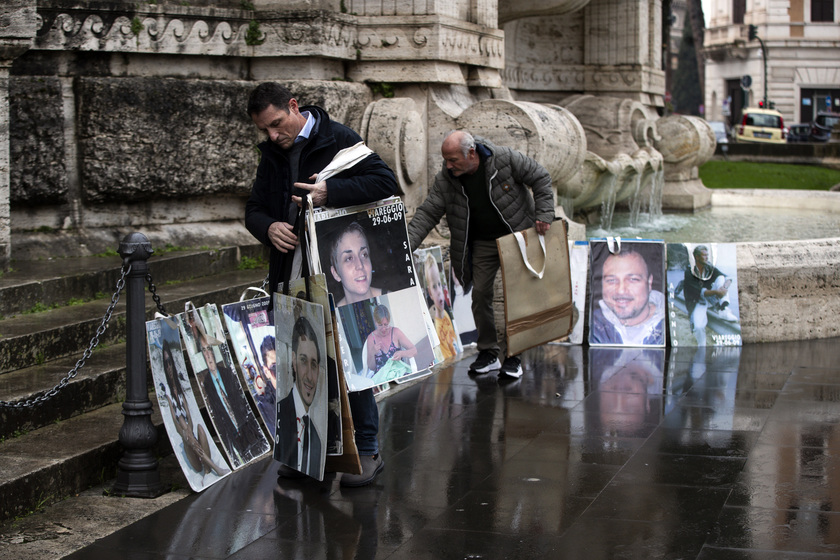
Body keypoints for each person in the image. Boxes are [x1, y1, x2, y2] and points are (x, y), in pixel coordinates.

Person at [244, 82, 397, 486]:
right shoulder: (273, 153)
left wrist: (332, 191)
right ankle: (311, 456)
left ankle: (367, 451)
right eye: (266, 131)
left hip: (338, 271)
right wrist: (268, 227)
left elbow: (386, 182)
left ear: (294, 106)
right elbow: (254, 209)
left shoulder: (338, 138)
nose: (274, 137)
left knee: (348, 357)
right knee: (302, 357)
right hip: (293, 270)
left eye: (278, 125)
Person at [407, 130, 554, 378]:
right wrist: (405, 246)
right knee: (481, 293)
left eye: (453, 159)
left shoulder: (504, 159)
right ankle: (488, 351)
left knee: (516, 296)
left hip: (515, 236)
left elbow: (540, 177)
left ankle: (514, 355)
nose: (448, 165)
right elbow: (427, 213)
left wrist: (544, 214)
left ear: (472, 153)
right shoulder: (447, 179)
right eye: (446, 159)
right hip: (482, 242)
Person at [195, 331, 267, 468]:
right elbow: (217, 415)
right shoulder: (208, 383)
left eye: (209, 349)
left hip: (247, 429)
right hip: (232, 435)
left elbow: (241, 403)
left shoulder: (227, 374)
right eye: (204, 350)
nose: (208, 354)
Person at [159, 344, 230, 479]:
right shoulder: (168, 393)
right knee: (183, 426)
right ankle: (215, 468)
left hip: (194, 440)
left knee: (199, 428)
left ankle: (208, 470)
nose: (168, 367)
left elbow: (189, 417)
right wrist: (187, 433)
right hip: (189, 447)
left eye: (170, 363)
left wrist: (190, 431)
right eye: (166, 363)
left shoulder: (180, 389)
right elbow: (175, 423)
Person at [276, 316, 325, 478]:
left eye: (314, 364)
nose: (310, 376)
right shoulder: (280, 414)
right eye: (304, 361)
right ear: (294, 360)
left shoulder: (316, 439)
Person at [590, 249, 665, 346]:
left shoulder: (672, 325)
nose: (621, 290)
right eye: (611, 280)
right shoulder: (593, 326)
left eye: (633, 279)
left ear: (649, 282)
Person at [683, 245, 738, 346]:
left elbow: (728, 279)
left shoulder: (709, 267)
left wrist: (724, 288)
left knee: (720, 278)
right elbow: (701, 292)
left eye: (707, 255)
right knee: (699, 327)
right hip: (697, 302)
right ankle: (702, 346)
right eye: (704, 255)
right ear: (697, 257)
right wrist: (717, 292)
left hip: (710, 299)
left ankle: (723, 309)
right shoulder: (689, 272)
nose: (707, 257)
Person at [330, 221, 384, 306]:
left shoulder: (395, 298)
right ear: (336, 273)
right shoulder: (332, 317)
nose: (360, 265)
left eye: (364, 254)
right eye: (349, 258)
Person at [364, 304, 417, 380]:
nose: (383, 329)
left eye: (386, 324)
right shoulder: (371, 338)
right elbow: (372, 368)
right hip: (382, 378)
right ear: (375, 322)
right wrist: (372, 353)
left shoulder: (395, 332)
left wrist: (402, 353)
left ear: (389, 321)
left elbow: (414, 350)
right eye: (380, 325)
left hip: (399, 374)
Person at [423, 253, 458, 359]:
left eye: (439, 284)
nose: (439, 291)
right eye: (434, 287)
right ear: (430, 293)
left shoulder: (446, 314)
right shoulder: (438, 330)